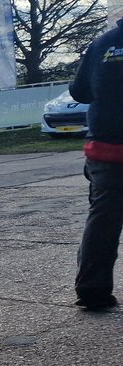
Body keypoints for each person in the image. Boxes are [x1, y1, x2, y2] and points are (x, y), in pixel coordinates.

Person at [70, 18, 123, 311]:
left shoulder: (103, 43)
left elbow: (80, 92)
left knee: (103, 220)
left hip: (107, 148)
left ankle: (93, 290)